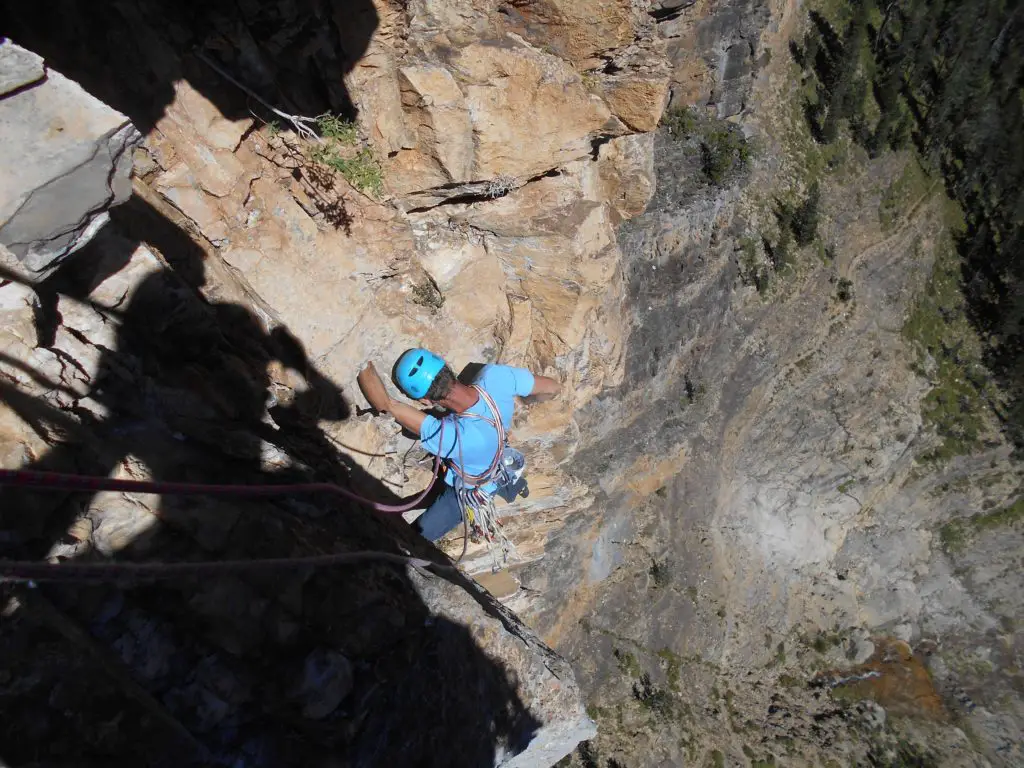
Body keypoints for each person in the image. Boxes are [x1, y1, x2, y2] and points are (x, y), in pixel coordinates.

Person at [357, 349, 561, 542]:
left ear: (426, 401)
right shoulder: (496, 376)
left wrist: (360, 361)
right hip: (487, 457)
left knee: (416, 537)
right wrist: (523, 403)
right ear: (445, 366)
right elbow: (552, 389)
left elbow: (387, 405)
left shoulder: (453, 437)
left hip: (467, 492)